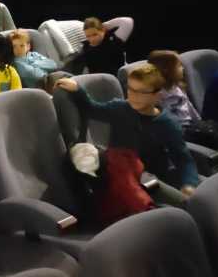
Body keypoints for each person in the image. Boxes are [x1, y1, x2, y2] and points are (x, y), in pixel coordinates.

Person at [55, 64, 199, 206]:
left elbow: (183, 159)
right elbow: (91, 109)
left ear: (157, 95)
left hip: (150, 179)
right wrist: (77, 90)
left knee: (187, 203)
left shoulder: (166, 123)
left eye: (141, 92)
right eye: (130, 89)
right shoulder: (120, 108)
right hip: (121, 175)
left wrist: (189, 184)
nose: (133, 96)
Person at [148, 49, 218, 165]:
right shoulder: (157, 95)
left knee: (216, 126)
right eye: (178, 67)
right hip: (179, 131)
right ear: (166, 70)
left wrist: (200, 122)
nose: (182, 69)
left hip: (191, 126)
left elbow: (190, 108)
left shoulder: (176, 88)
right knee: (209, 133)